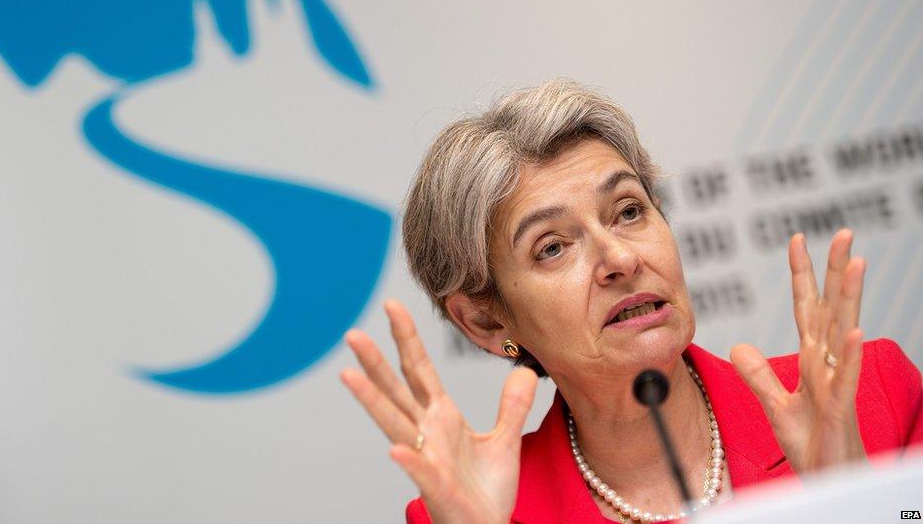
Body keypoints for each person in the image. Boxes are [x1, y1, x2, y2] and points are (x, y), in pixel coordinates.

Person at [339, 79, 923, 523]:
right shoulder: (480, 511)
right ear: (487, 321)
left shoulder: (875, 397)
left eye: (627, 210)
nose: (620, 258)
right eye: (552, 247)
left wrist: (857, 504)